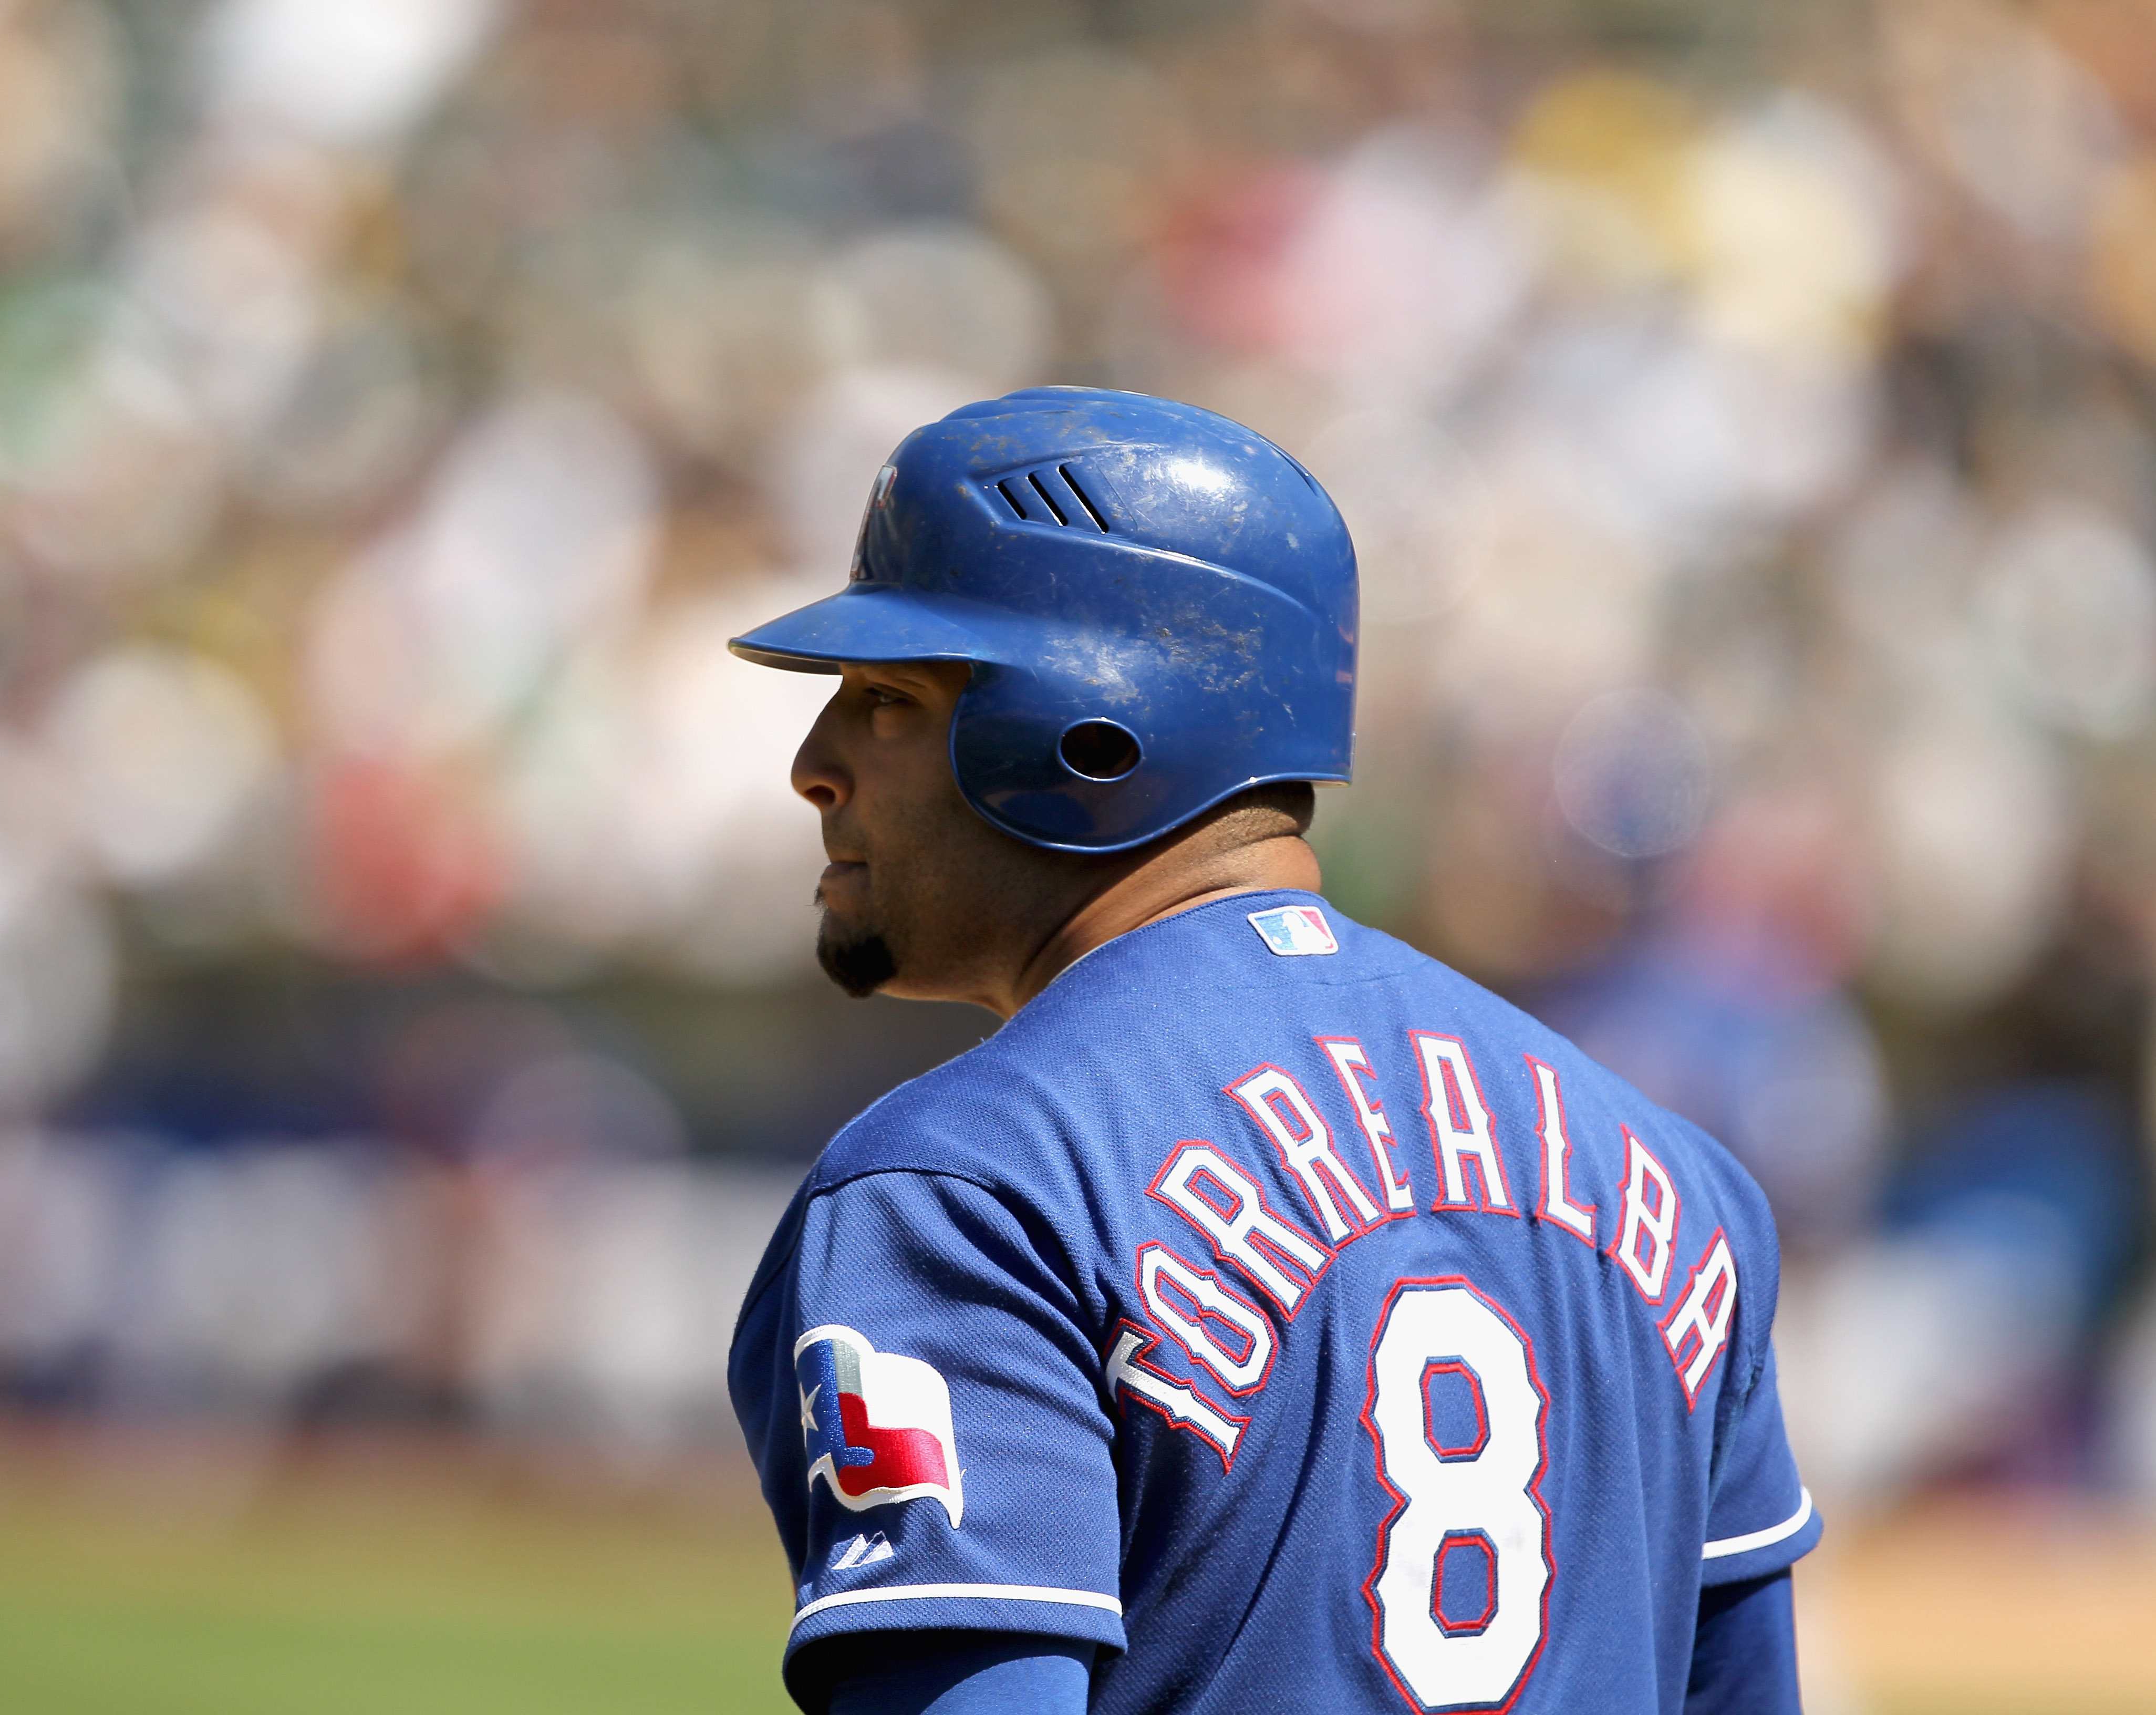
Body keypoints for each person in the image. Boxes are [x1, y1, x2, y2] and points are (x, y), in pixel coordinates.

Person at [724, 387, 1817, 1715]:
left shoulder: (965, 1188)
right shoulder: (1676, 1181)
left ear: (1088, 728)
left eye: (884, 699)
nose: (814, 763)